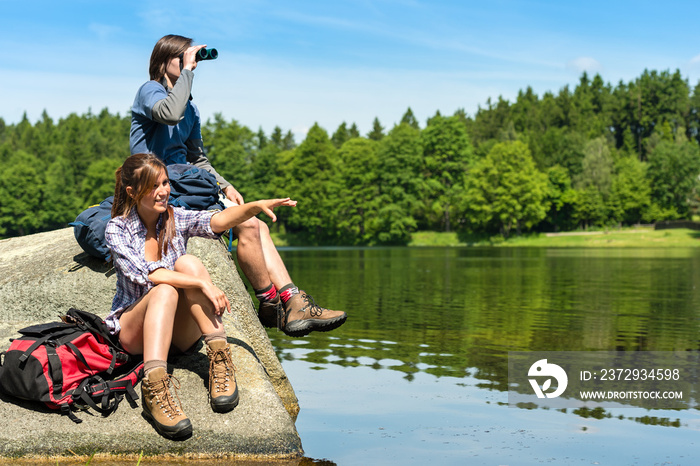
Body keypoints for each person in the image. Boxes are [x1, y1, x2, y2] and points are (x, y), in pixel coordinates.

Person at [130, 34, 346, 337]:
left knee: (257, 225)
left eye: (190, 60)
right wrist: (189, 73)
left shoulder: (190, 110)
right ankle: (271, 302)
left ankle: (291, 300)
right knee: (247, 225)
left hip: (188, 186)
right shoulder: (149, 91)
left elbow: (198, 158)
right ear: (163, 61)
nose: (190, 64)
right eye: (183, 58)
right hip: (157, 189)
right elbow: (169, 114)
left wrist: (225, 186)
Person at [105, 153, 297, 439]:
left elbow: (216, 220)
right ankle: (155, 386)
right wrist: (202, 284)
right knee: (166, 288)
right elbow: (149, 274)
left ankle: (219, 358)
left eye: (166, 183)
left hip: (179, 337)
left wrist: (253, 207)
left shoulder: (174, 217)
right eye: (153, 185)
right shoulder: (117, 229)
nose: (163, 191)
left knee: (188, 263)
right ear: (132, 191)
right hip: (137, 335)